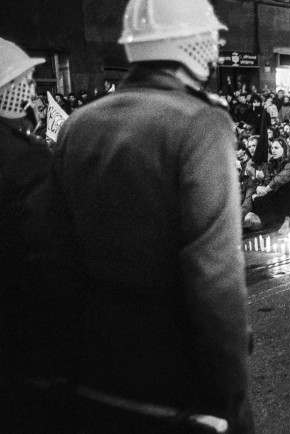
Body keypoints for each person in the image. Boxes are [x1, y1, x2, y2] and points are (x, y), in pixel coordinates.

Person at [52, 1, 253, 431]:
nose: (215, 52)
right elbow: (215, 275)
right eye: (209, 39)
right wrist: (231, 391)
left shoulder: (77, 123)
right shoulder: (201, 123)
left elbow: (57, 251)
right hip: (172, 376)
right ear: (191, 44)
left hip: (93, 362)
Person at [0, 37, 84, 433]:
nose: (31, 88)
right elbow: (48, 256)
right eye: (25, 79)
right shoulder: (23, 159)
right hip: (26, 340)